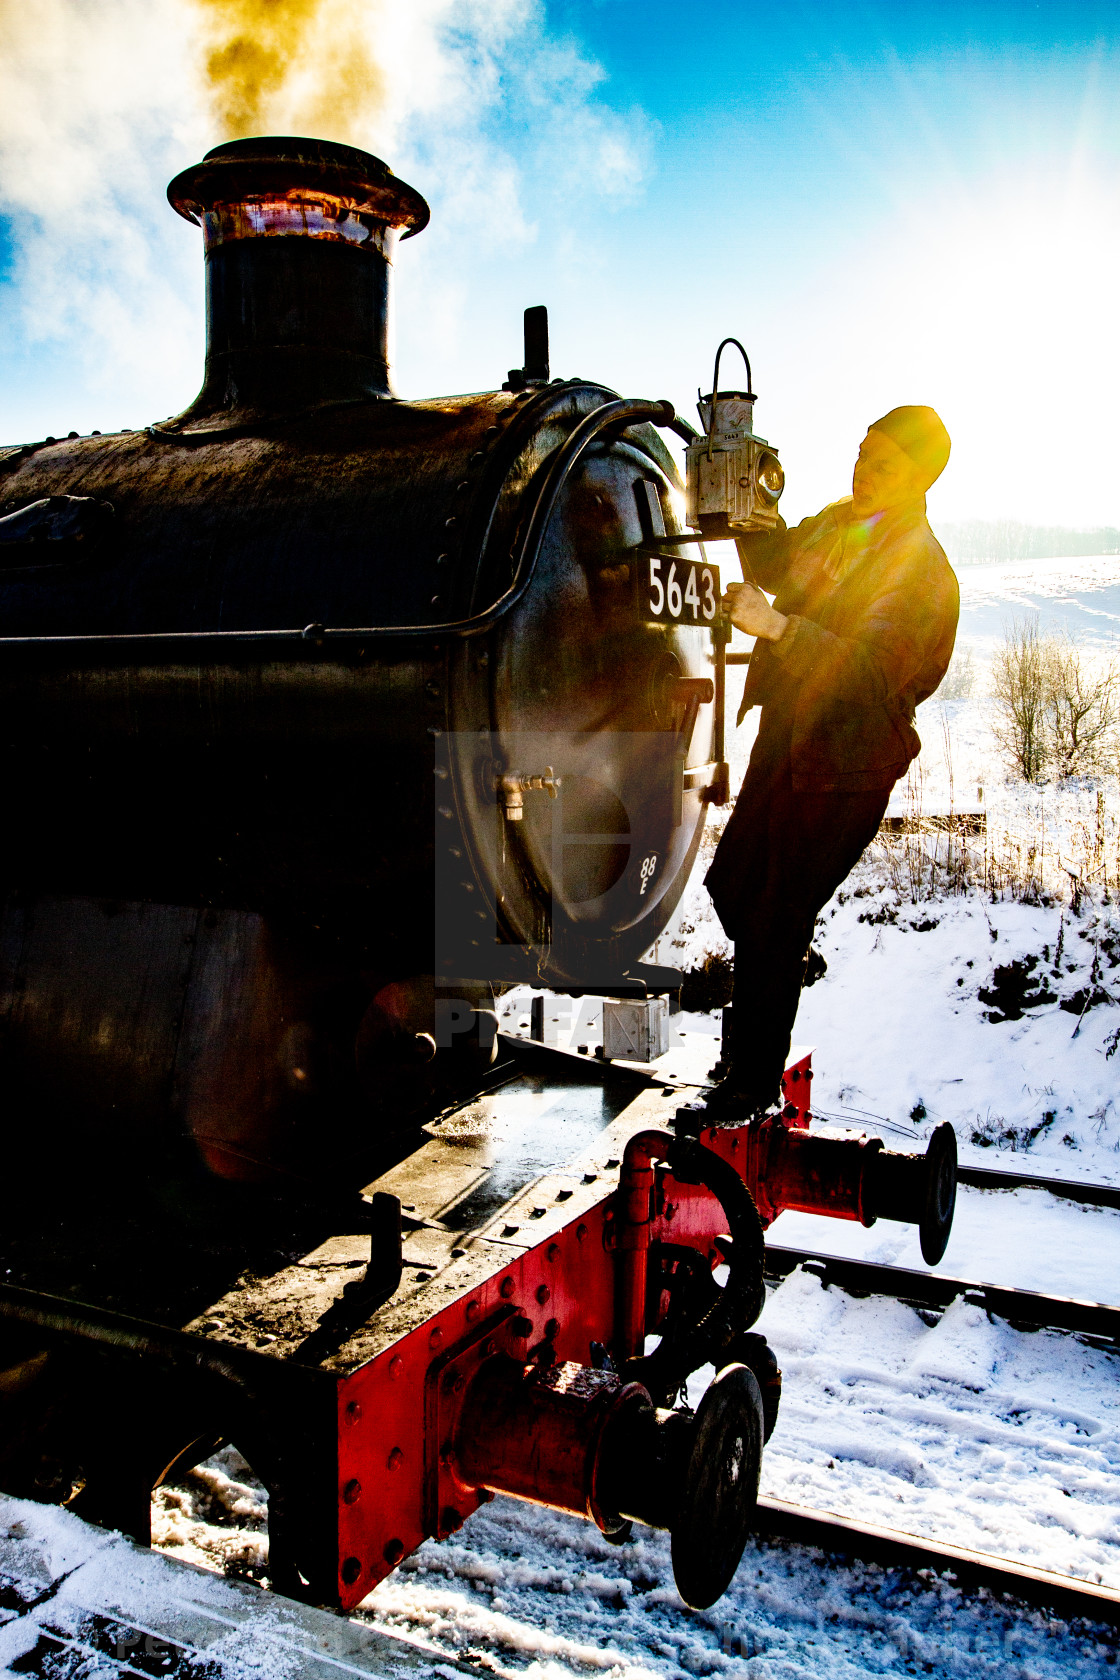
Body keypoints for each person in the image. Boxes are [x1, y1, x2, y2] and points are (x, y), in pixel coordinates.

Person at [703, 405, 959, 1113]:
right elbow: (776, 561)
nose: (863, 471)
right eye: (861, 453)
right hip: (788, 735)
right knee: (732, 885)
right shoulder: (842, 522)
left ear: (919, 478)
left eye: (883, 464)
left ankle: (751, 1081)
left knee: (771, 914)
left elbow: (871, 675)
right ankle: (783, 957)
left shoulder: (921, 570)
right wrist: (747, 493)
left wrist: (778, 626)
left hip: (846, 765)